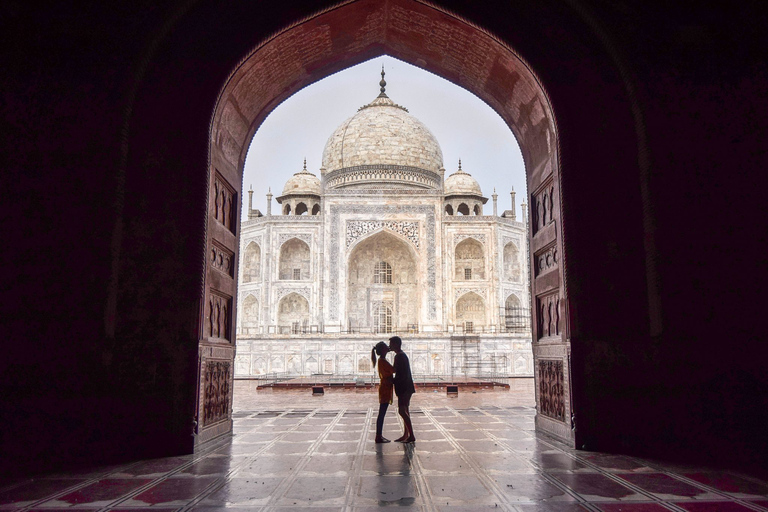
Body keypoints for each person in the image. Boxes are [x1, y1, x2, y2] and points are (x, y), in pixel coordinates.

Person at [389, 336, 415, 443]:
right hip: (407, 387)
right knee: (405, 411)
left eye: (391, 344)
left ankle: (411, 435)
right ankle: (406, 434)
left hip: (404, 388)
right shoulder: (401, 355)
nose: (389, 346)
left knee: (402, 411)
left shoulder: (399, 356)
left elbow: (396, 372)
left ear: (396, 344)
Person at [371, 341, 394, 443]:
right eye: (386, 347)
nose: (388, 347)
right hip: (385, 388)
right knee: (382, 413)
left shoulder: (382, 360)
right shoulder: (382, 361)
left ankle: (379, 435)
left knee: (382, 413)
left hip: (385, 387)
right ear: (383, 350)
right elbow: (393, 370)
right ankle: (378, 436)